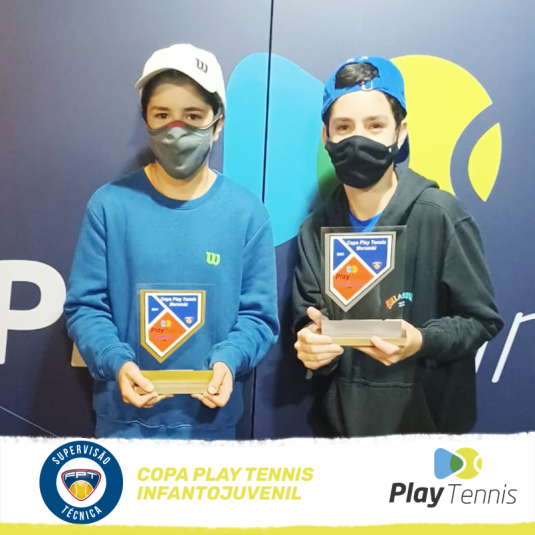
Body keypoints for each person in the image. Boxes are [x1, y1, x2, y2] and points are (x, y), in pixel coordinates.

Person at [64, 44, 279, 440]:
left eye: (193, 116)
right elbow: (85, 307)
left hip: (210, 427)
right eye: (162, 115)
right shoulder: (109, 206)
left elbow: (258, 317)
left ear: (217, 124)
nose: (176, 130)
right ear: (146, 119)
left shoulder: (247, 214)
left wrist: (229, 360)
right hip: (123, 425)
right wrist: (116, 362)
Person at [293, 55, 503, 436]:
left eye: (375, 125)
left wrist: (422, 340)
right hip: (342, 435)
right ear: (326, 137)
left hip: (429, 436)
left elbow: (480, 320)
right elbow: (310, 322)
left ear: (400, 132)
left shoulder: (441, 216)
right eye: (344, 127)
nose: (358, 139)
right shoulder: (314, 231)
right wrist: (312, 348)